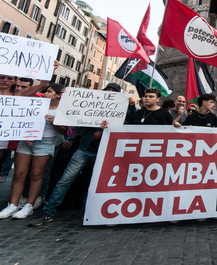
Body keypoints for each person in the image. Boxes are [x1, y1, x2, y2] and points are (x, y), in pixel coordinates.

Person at [28, 84, 125, 227]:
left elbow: (127, 124)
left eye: (114, 92)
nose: (110, 93)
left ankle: (86, 210)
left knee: (94, 184)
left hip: (104, 151)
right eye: (108, 91)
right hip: (84, 148)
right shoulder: (91, 107)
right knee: (64, 180)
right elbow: (75, 127)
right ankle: (48, 211)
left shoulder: (122, 109)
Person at [0, 83, 66, 219]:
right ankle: (13, 204)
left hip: (45, 142)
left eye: (49, 91)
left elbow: (64, 131)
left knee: (36, 175)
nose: (45, 94)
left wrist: (54, 122)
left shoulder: (62, 109)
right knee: (18, 174)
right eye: (46, 91)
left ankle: (29, 205)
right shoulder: (37, 103)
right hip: (26, 141)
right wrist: (27, 135)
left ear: (58, 95)